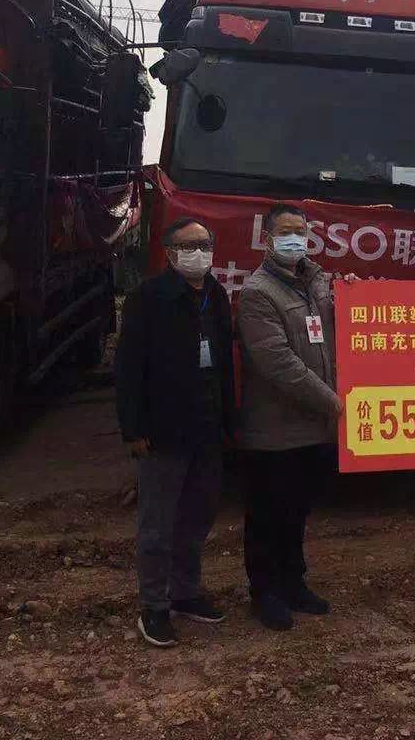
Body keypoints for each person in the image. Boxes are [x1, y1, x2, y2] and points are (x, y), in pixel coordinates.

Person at [116, 217, 236, 648]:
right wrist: (132, 428)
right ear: (170, 254)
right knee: (158, 525)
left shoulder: (216, 296)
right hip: (163, 431)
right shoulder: (148, 298)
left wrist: (229, 421)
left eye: (205, 244)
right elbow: (128, 368)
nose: (199, 253)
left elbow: (225, 365)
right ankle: (154, 605)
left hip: (207, 428)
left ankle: (186, 593)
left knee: (197, 517)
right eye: (189, 246)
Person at [237, 203, 352, 632]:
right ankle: (265, 592)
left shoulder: (316, 282)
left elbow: (334, 335)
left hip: (312, 428)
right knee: (267, 514)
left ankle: (293, 582)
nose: (294, 239)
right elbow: (278, 363)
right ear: (266, 239)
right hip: (274, 430)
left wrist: (354, 301)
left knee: (297, 512)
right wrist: (331, 401)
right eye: (285, 232)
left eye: (300, 232)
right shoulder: (258, 293)